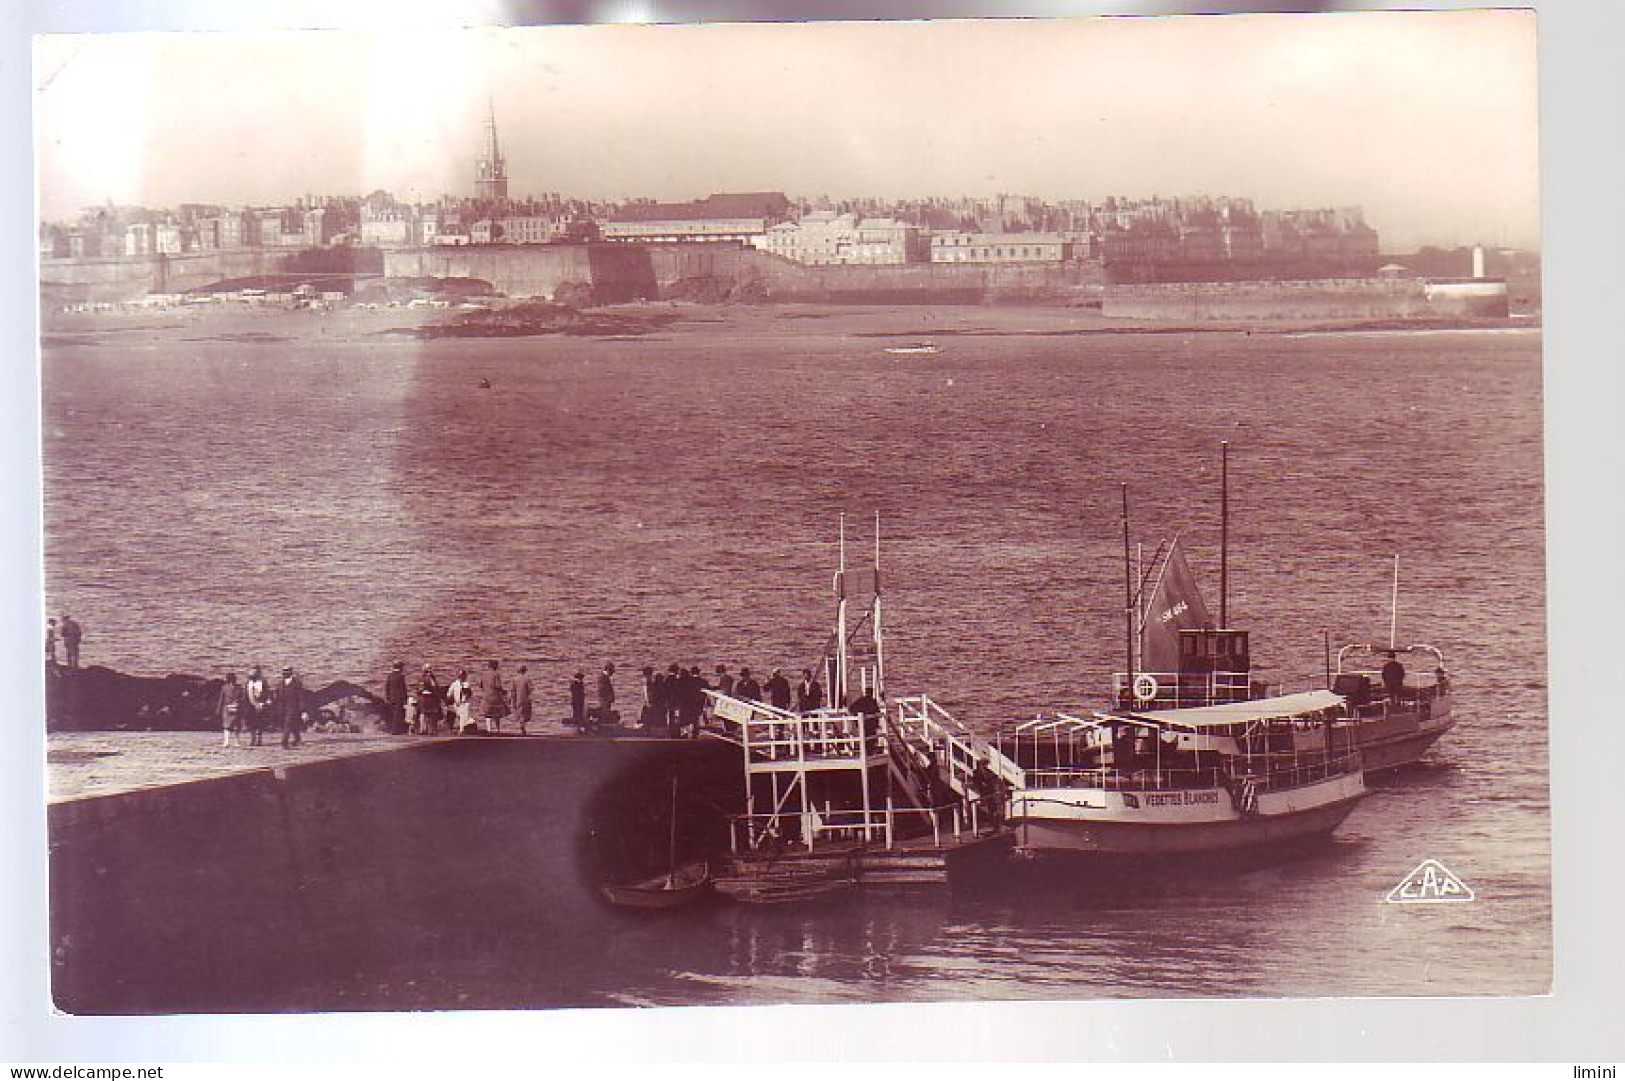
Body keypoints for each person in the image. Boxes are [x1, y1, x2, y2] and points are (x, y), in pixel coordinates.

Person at [274, 666, 307, 749]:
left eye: (287, 671)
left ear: (291, 672)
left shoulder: (296, 683)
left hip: (293, 707)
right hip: (283, 708)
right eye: (284, 671)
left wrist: (303, 710)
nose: (285, 673)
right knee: (292, 724)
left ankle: (284, 742)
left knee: (288, 724)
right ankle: (297, 738)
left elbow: (301, 697)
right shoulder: (280, 683)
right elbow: (277, 696)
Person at [475, 659, 508, 734]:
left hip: (486, 696)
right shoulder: (496, 674)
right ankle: (497, 730)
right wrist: (503, 692)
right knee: (497, 714)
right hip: (495, 697)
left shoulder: (484, 674)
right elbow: (498, 686)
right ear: (495, 666)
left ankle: (489, 730)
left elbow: (481, 685)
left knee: (487, 714)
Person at [243, 666, 270, 747]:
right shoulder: (248, 682)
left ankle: (259, 739)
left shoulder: (263, 682)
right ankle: (252, 738)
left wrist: (263, 702)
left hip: (260, 704)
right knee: (251, 723)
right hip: (250, 704)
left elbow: (266, 692)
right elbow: (246, 693)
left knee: (259, 723)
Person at [217, 672, 245, 748]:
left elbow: (242, 698)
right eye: (231, 679)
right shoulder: (224, 687)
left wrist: (239, 704)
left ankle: (237, 742)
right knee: (227, 726)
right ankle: (226, 742)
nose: (232, 681)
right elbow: (221, 699)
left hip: (236, 708)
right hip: (226, 708)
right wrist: (218, 709)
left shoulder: (239, 687)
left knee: (236, 726)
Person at [417, 665, 444, 735]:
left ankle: (423, 729)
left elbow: (419, 690)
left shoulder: (421, 678)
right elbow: (434, 687)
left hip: (423, 698)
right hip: (430, 698)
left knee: (424, 713)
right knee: (432, 714)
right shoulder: (430, 679)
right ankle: (431, 730)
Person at [384, 662, 409, 735]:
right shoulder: (401, 676)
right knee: (398, 714)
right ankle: (396, 730)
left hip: (392, 698)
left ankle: (393, 729)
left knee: (393, 714)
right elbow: (403, 688)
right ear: (400, 667)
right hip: (399, 698)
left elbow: (387, 687)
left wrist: (388, 697)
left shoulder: (390, 676)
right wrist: (405, 698)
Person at [446, 669, 473, 734]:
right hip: (459, 703)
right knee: (461, 716)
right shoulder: (456, 684)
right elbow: (449, 694)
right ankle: (460, 730)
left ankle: (462, 730)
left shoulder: (465, 684)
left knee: (463, 717)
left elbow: (468, 694)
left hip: (463, 703)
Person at [511, 664, 534, 735]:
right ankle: (523, 727)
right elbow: (530, 689)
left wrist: (512, 700)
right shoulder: (527, 679)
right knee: (525, 713)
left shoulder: (515, 679)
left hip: (518, 698)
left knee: (520, 713)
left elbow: (513, 691)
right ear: (525, 671)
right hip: (525, 698)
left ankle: (521, 725)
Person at [595, 663, 617, 730]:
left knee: (606, 712)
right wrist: (608, 697)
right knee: (605, 713)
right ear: (608, 670)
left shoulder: (605, 677)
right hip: (604, 699)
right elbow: (602, 689)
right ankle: (604, 729)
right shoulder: (602, 677)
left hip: (606, 699)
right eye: (611, 671)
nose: (612, 673)